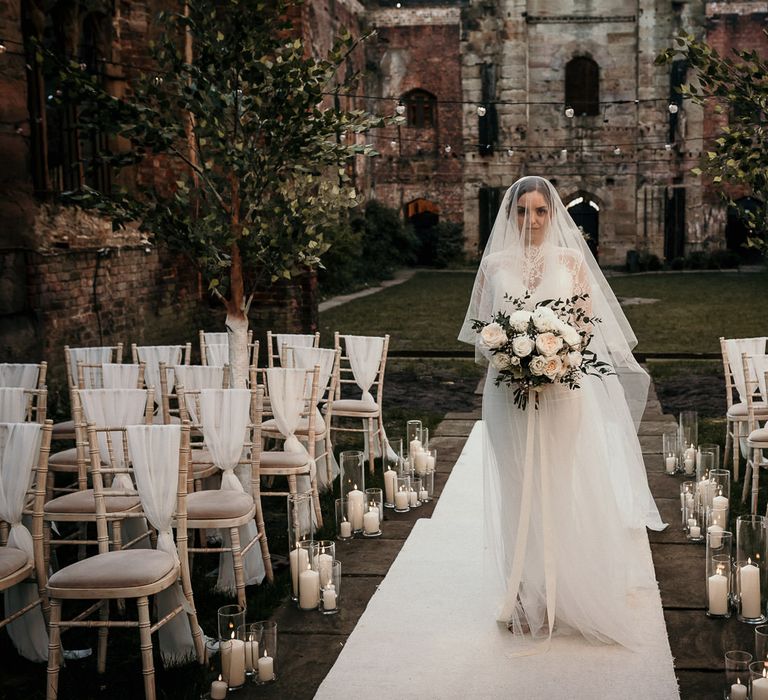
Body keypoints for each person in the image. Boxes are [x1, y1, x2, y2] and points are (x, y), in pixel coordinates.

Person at [458, 176, 666, 652]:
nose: (530, 221)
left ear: (553, 216)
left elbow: (587, 330)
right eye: (522, 212)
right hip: (506, 390)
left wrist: (553, 362)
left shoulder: (571, 262)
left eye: (540, 212)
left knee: (556, 484)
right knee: (516, 486)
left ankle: (559, 589)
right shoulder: (493, 265)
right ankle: (524, 591)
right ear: (509, 215)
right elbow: (483, 331)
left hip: (562, 389)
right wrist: (512, 358)